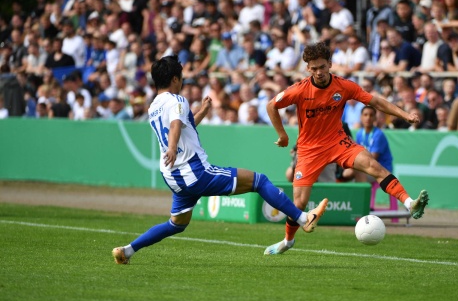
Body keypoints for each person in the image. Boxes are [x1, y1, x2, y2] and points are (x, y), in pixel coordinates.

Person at [112, 55, 328, 264]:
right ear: (175, 79)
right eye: (182, 76)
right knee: (259, 181)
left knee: (176, 224)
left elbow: (183, 127)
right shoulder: (177, 99)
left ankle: (127, 251)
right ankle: (303, 219)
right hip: (194, 171)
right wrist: (172, 148)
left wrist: (203, 112)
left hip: (172, 175)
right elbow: (176, 126)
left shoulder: (153, 107)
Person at [265, 42, 429, 255]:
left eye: (322, 67)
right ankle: (287, 241)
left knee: (372, 165)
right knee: (299, 202)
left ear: (330, 64)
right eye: (314, 68)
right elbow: (271, 106)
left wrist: (405, 115)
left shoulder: (344, 86)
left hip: (337, 142)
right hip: (309, 150)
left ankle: (410, 204)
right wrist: (283, 135)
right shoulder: (299, 90)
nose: (319, 72)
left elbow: (376, 102)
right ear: (307, 68)